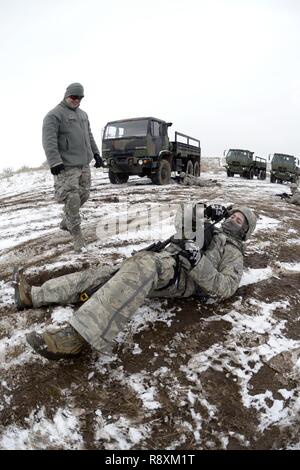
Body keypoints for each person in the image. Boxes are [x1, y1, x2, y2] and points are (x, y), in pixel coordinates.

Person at [14, 206, 257, 361]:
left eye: (240, 221)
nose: (234, 220)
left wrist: (197, 259)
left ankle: (74, 339)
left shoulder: (233, 251)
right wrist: (203, 211)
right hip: (162, 259)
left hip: (181, 275)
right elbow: (180, 219)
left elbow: (225, 287)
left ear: (245, 230)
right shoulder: (208, 229)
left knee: (141, 267)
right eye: (233, 215)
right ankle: (33, 295)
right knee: (102, 274)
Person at [42, 82, 104, 252]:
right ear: (66, 95)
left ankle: (66, 221)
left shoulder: (83, 115)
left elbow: (88, 135)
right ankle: (77, 237)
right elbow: (49, 141)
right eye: (73, 97)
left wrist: (96, 154)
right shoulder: (54, 115)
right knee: (73, 198)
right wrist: (54, 161)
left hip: (84, 164)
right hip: (66, 165)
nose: (76, 100)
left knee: (84, 194)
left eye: (80, 97)